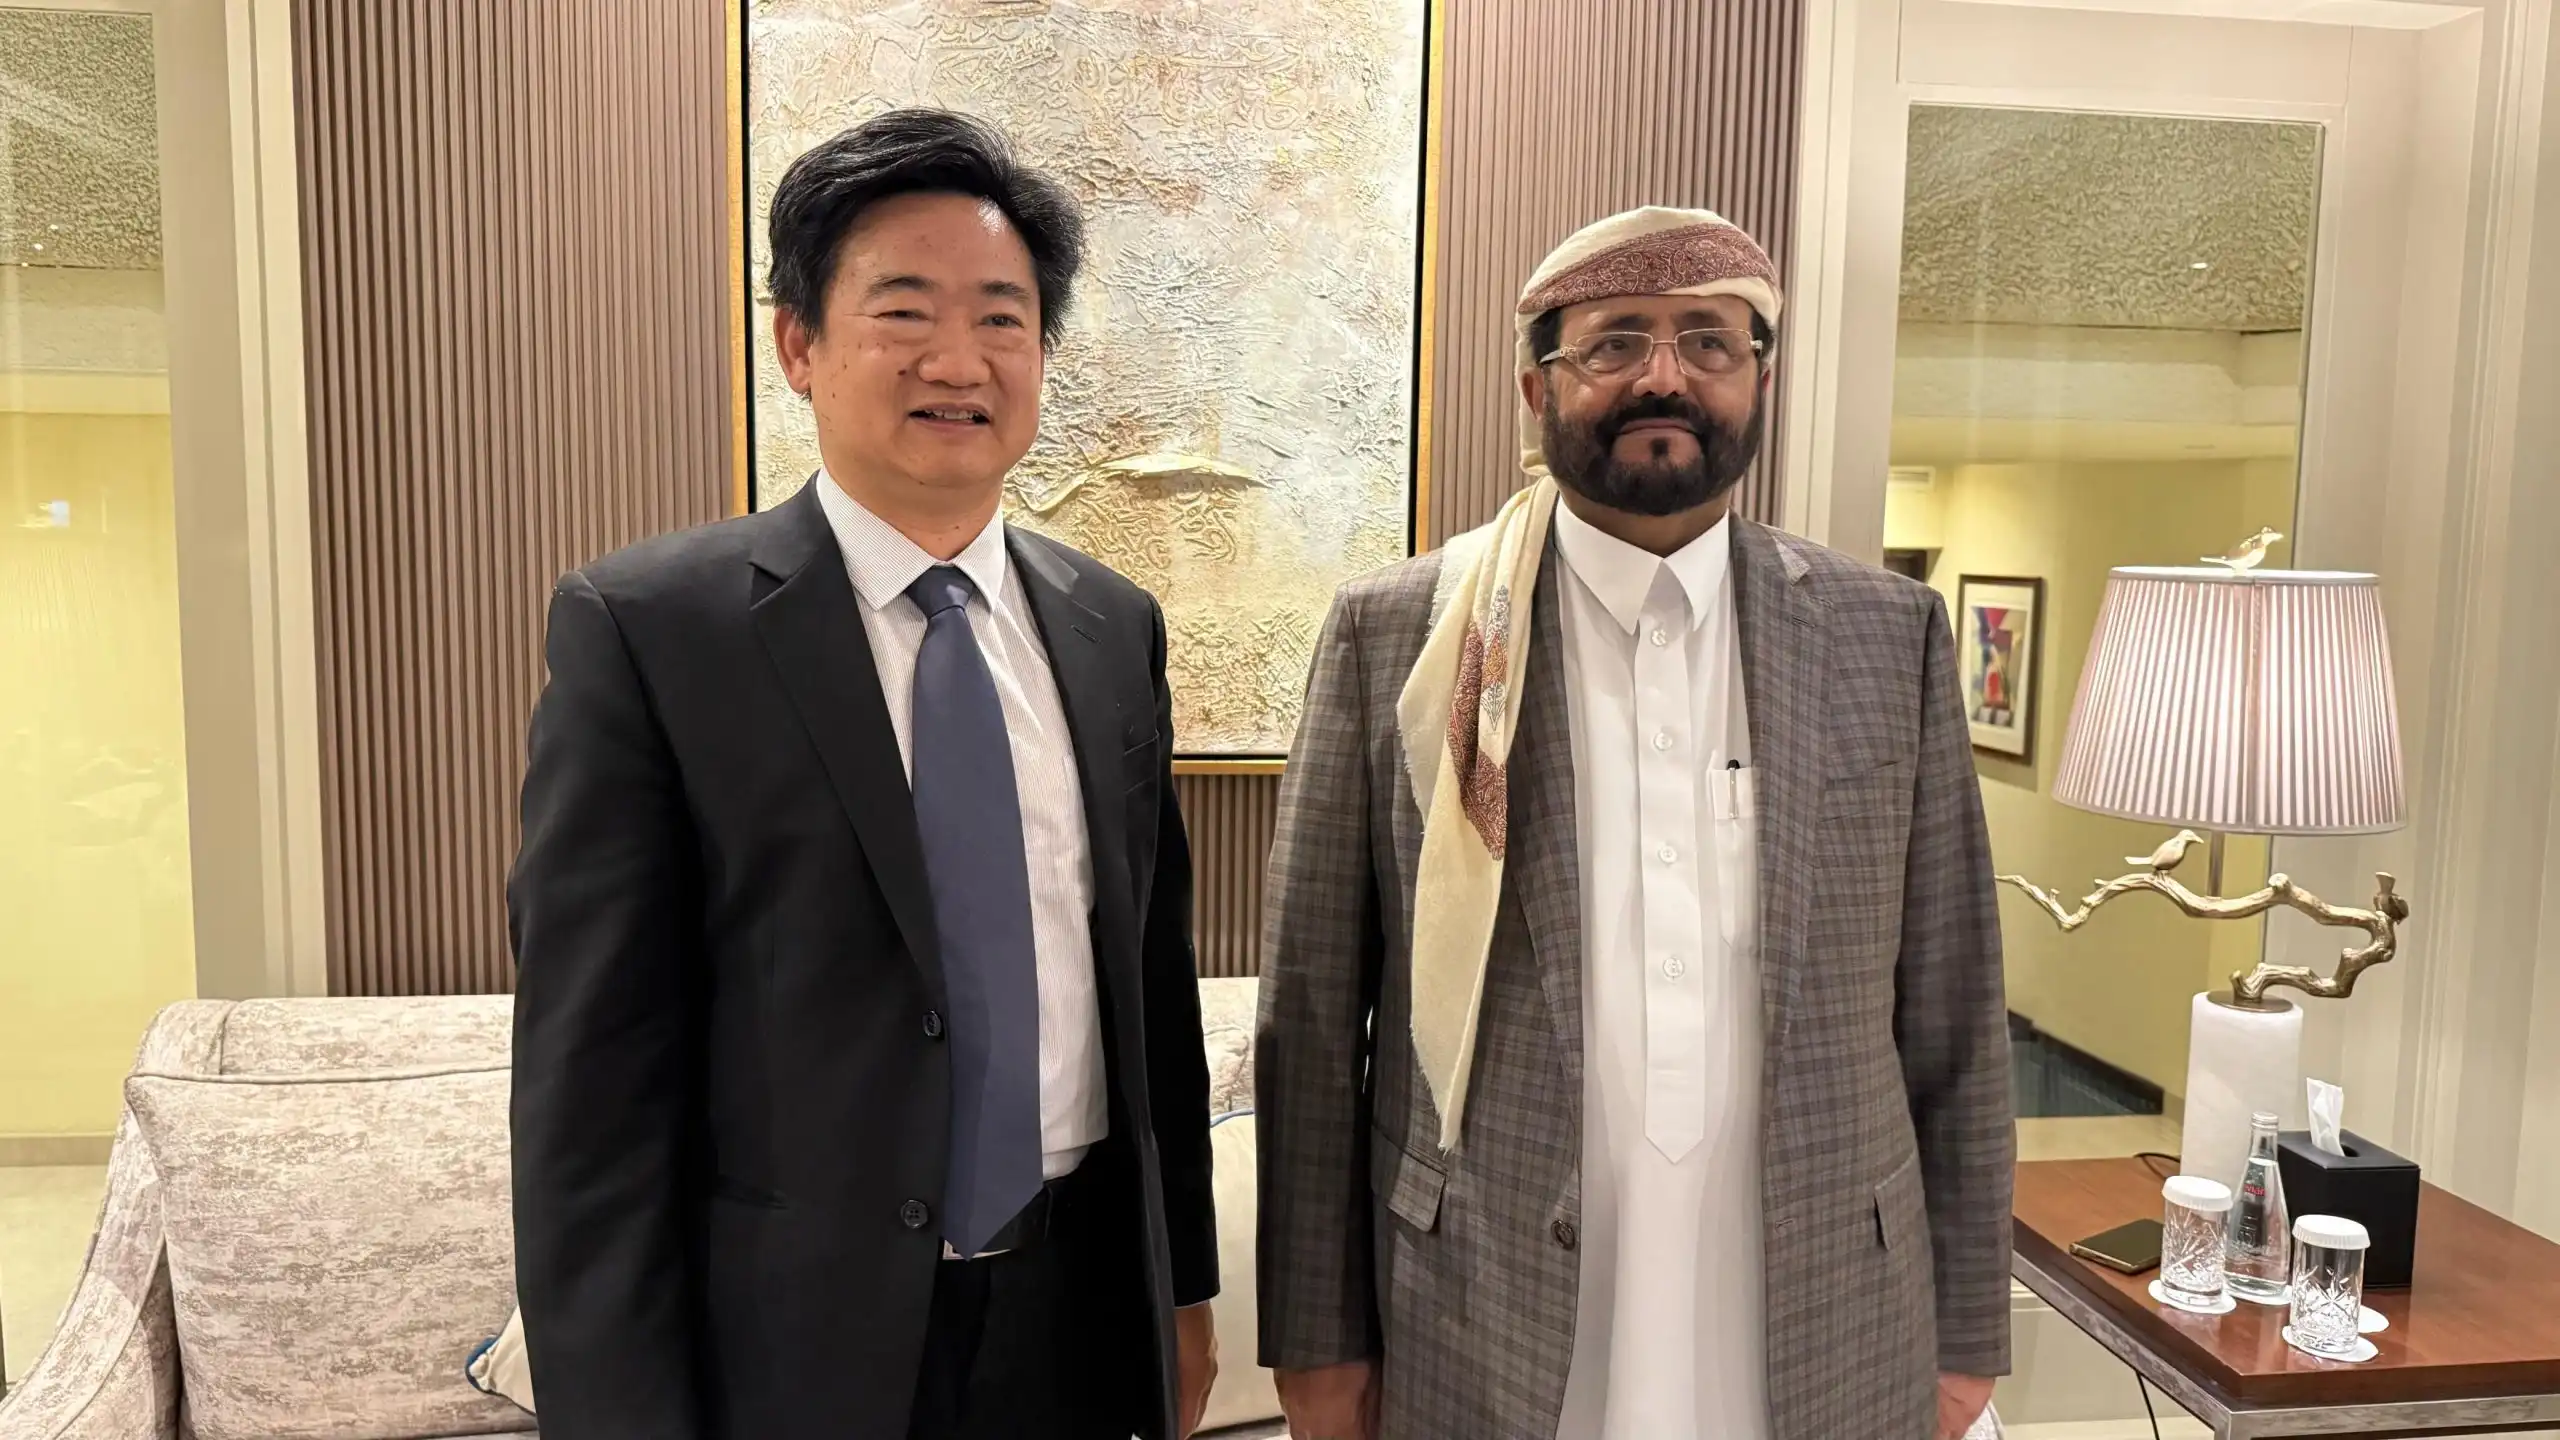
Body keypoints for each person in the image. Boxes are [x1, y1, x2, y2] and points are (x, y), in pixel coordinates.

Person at [508, 109, 1218, 1440]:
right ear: (799, 344)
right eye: (904, 312)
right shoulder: (654, 632)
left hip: (1077, 1314)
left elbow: (1148, 992)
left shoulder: (1109, 629)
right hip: (795, 1339)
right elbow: (590, 1089)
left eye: (1003, 317)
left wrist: (1182, 1294)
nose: (959, 359)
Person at [1255, 206, 2013, 1440]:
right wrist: (1316, 1341)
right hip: (1482, 1310)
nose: (1665, 376)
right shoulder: (1398, 635)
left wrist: (1968, 1328)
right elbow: (1314, 1015)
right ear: (1536, 386)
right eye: (1614, 342)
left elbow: (1954, 1011)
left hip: (1826, 1313)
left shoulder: (1888, 636)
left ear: (1757, 379)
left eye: (1708, 341)